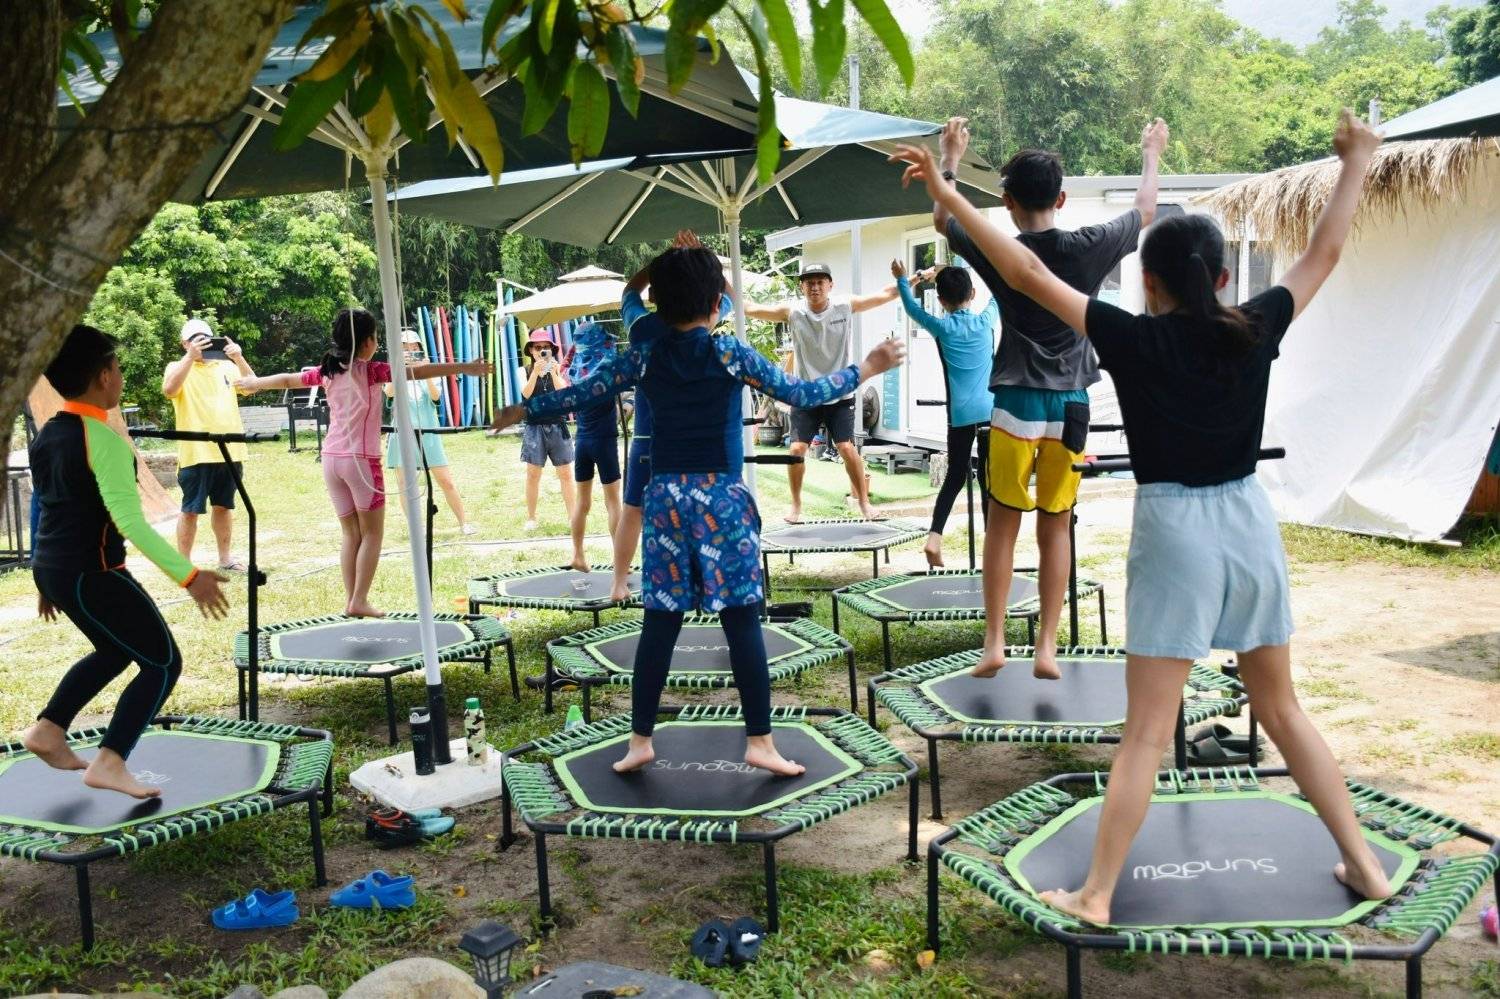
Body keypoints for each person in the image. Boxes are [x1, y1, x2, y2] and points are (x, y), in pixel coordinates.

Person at [891, 109, 1392, 923]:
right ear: (1222, 278)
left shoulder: (1132, 338)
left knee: (1148, 732)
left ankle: (1095, 894)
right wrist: (1358, 159)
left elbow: (1023, 270)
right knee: (1283, 708)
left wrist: (948, 192)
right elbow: (1325, 252)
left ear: (1150, 284)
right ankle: (1364, 862)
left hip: (1174, 533)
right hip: (1249, 522)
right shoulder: (1256, 324)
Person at [493, 244, 905, 776]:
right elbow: (801, 391)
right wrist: (866, 367)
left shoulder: (645, 353)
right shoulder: (729, 353)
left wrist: (524, 408)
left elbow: (585, 393)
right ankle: (760, 741)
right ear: (716, 305)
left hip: (665, 499)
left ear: (658, 306)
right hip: (721, 501)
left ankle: (640, 740)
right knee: (742, 621)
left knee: (660, 622)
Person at [933, 116, 1167, 680]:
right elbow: (1145, 211)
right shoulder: (1091, 245)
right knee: (1056, 523)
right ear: (1060, 199)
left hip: (1015, 401)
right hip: (1072, 406)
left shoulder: (999, 251)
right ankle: (1046, 648)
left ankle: (994, 642)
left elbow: (943, 218)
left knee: (1003, 522)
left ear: (1008, 202)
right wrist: (1151, 152)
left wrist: (951, 157)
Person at [22, 324, 230, 799]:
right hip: (93, 574)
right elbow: (131, 523)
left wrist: (42, 575)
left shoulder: (48, 434)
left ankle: (48, 732)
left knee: (115, 651)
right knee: (163, 663)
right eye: (116, 368)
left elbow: (44, 507)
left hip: (57, 571)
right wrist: (189, 576)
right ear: (103, 376)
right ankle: (111, 762)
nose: (119, 376)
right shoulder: (103, 440)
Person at [237, 309, 489, 618]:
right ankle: (359, 599)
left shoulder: (328, 370)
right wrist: (465, 367)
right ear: (368, 342)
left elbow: (289, 379)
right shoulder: (372, 371)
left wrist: (255, 382)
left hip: (331, 460)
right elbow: (421, 371)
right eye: (376, 338)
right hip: (361, 463)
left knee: (351, 534)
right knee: (372, 534)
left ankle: (352, 600)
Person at [605, 230, 734, 602]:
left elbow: (628, 292)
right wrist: (701, 258)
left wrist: (660, 265)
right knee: (695, 511)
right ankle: (701, 583)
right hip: (692, 443)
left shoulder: (642, 328)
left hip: (648, 437)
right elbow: (731, 296)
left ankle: (618, 583)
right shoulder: (705, 320)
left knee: (633, 511)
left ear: (656, 296)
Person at [744, 264, 900, 522]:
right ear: (802, 287)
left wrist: (913, 279)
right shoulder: (793, 312)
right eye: (809, 282)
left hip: (840, 395)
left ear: (830, 285)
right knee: (796, 449)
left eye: (820, 282)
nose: (814, 287)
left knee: (846, 447)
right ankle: (796, 506)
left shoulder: (844, 305)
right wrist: (718, 286)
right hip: (806, 395)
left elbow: (884, 294)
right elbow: (749, 308)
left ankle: (864, 503)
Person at [891, 259, 998, 567]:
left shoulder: (941, 327)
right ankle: (994, 549)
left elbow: (911, 308)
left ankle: (934, 539)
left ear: (940, 301)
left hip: (960, 414)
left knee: (955, 475)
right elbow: (999, 291)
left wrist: (902, 278)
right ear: (973, 293)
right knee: (988, 479)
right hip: (990, 412)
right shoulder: (986, 321)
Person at [161, 317, 258, 572]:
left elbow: (252, 387)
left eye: (205, 338)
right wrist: (189, 358)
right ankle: (183, 564)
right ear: (184, 343)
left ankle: (225, 559)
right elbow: (169, 390)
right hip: (196, 452)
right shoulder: (176, 366)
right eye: (194, 340)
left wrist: (238, 357)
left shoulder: (226, 366)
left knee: (224, 506)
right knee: (190, 510)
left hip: (230, 449)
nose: (201, 343)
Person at [383, 328, 477, 536]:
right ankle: (416, 529)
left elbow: (435, 397)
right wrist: (399, 369)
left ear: (420, 350)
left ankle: (464, 523)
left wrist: (424, 371)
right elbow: (388, 392)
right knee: (405, 484)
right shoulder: (393, 370)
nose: (410, 352)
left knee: (446, 481)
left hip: (429, 434)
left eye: (414, 348)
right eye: (405, 348)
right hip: (401, 434)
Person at [565, 322, 623, 572]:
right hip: (604, 441)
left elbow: (569, 361)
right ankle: (621, 560)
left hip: (582, 443)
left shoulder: (574, 373)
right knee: (613, 502)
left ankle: (577, 554)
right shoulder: (606, 370)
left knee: (582, 503)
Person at [519, 329, 578, 532]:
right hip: (534, 426)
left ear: (552, 350)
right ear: (531, 350)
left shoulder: (557, 368)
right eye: (538, 347)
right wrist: (536, 372)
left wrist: (552, 372)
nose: (542, 351)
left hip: (557, 425)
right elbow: (526, 393)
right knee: (532, 474)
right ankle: (531, 517)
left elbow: (563, 392)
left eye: (546, 347)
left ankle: (572, 517)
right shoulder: (524, 370)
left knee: (566, 474)